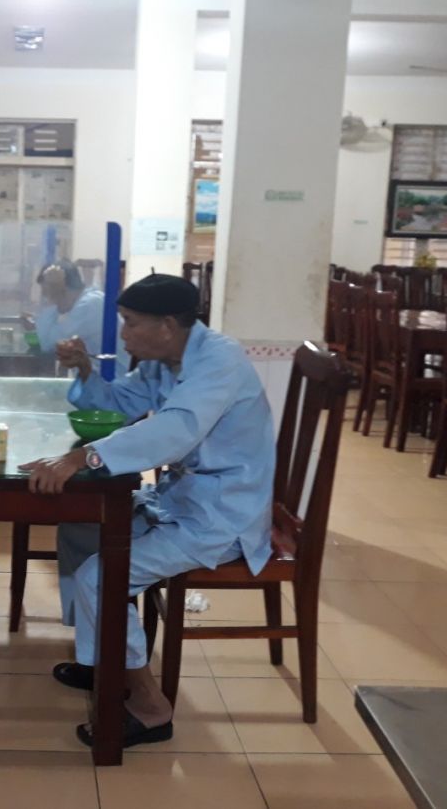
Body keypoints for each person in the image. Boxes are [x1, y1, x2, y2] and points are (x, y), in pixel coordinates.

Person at [18, 273, 275, 749]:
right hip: (184, 497)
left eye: (132, 322)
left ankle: (151, 707)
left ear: (168, 325)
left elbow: (176, 431)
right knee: (79, 528)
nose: (124, 333)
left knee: (102, 577)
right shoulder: (167, 360)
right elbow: (121, 403)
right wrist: (85, 370)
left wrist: (82, 457)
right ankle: (104, 659)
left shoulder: (218, 360)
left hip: (221, 514)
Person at [22, 260, 129, 373]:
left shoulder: (91, 305)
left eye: (48, 292)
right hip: (98, 377)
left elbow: (48, 343)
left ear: (63, 287)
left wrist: (50, 303)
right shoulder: (89, 301)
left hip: (113, 379)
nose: (46, 297)